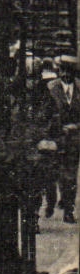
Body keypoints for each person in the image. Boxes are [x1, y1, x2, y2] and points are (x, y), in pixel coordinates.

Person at [46, 55, 80, 222]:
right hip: (55, 139)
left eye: (69, 72)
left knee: (70, 175)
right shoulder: (50, 88)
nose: (65, 75)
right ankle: (50, 202)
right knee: (52, 173)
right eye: (63, 71)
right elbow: (46, 113)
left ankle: (68, 210)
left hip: (74, 140)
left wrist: (76, 126)